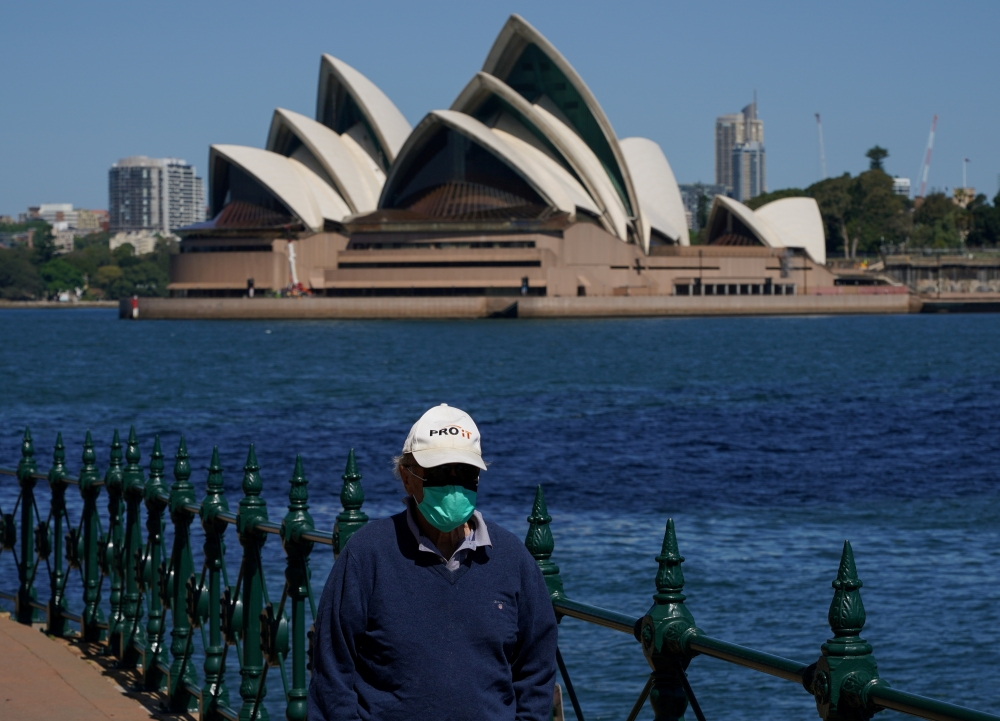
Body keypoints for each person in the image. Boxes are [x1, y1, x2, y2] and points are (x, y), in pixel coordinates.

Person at [308, 403, 558, 721]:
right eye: (439, 473)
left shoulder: (512, 559)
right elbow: (332, 670)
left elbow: (537, 668)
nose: (453, 485)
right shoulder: (367, 554)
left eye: (466, 474)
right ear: (406, 476)